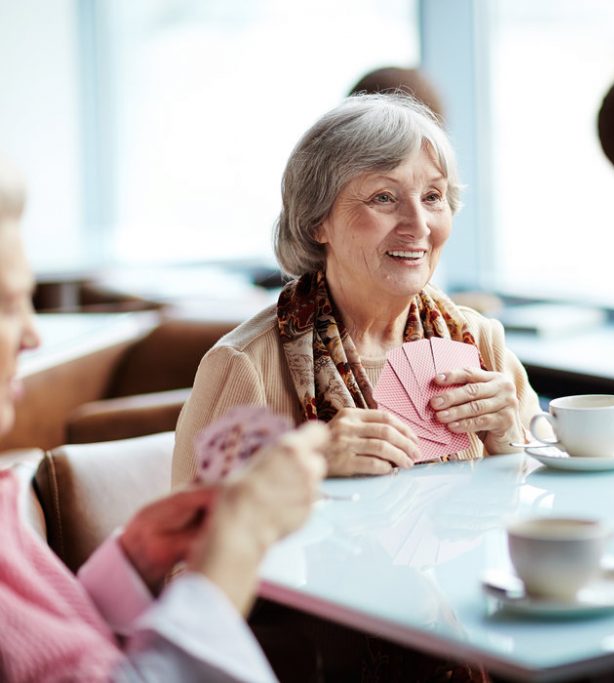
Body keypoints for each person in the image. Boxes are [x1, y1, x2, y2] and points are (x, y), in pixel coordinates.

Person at [0, 158, 330, 681]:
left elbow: (50, 653)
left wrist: (128, 565)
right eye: (8, 304)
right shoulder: (246, 358)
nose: (33, 335)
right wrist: (233, 549)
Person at [172, 93, 539, 486]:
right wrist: (310, 466)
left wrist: (508, 442)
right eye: (384, 197)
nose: (418, 225)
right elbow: (190, 537)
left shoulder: (482, 344)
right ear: (318, 222)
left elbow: (546, 503)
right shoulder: (245, 365)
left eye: (433, 197)